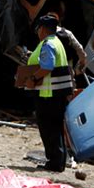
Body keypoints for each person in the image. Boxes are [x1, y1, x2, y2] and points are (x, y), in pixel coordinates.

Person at [25, 15, 73, 172]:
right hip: (58, 94)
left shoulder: (47, 44)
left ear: (43, 29)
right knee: (57, 128)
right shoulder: (57, 42)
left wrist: (32, 78)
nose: (37, 31)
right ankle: (58, 162)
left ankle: (54, 162)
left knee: (49, 129)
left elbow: (47, 66)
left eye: (39, 28)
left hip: (48, 95)